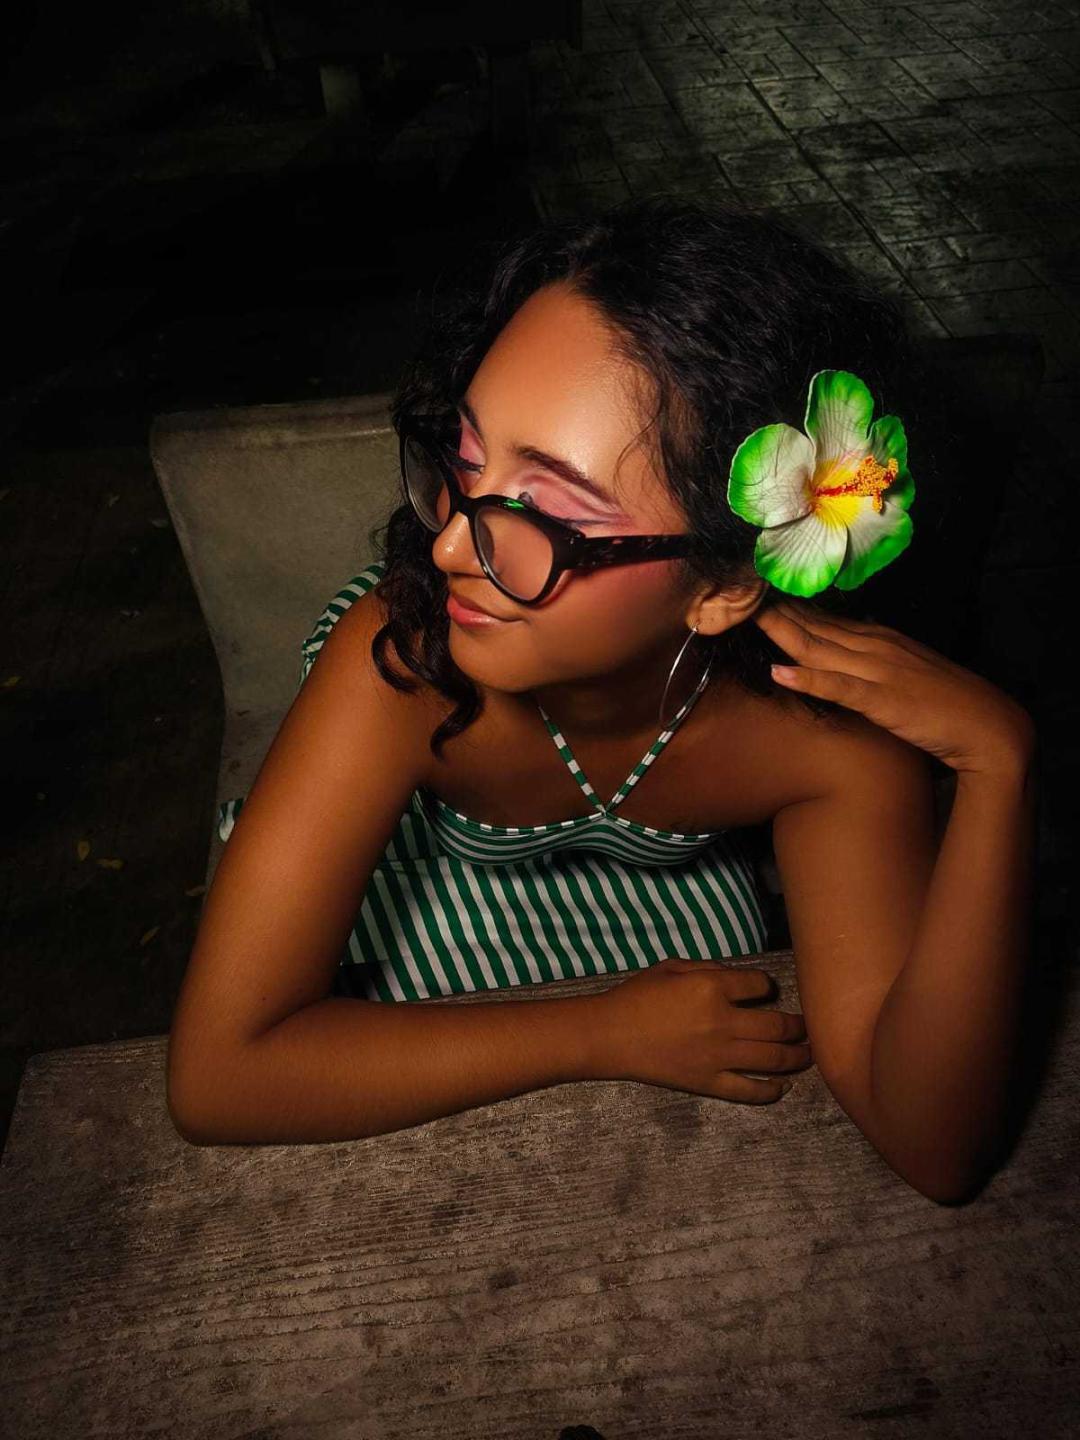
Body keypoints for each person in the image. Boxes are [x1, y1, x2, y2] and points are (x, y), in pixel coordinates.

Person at [166, 198, 1037, 1203]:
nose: (446, 545)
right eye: (464, 462)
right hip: (430, 914)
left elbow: (931, 1145)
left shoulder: (824, 738)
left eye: (547, 514)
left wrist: (999, 767)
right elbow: (221, 1073)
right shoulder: (405, 660)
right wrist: (598, 1032)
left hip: (670, 934)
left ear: (723, 586)